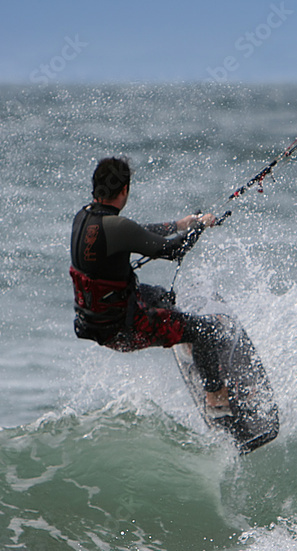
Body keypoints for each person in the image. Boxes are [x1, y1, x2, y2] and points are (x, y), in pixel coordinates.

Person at [69, 156, 235, 413]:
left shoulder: (84, 217)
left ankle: (188, 342)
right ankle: (216, 398)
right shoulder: (117, 227)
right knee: (206, 330)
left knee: (163, 297)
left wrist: (180, 224)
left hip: (97, 321)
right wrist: (199, 227)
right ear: (125, 190)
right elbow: (172, 251)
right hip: (123, 331)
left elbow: (135, 231)